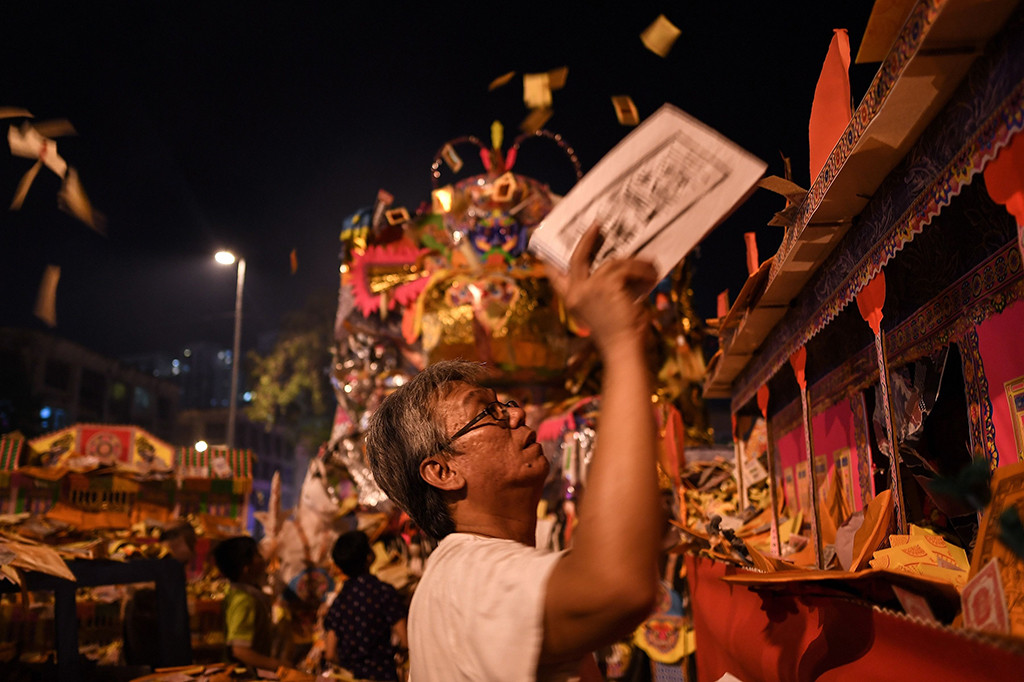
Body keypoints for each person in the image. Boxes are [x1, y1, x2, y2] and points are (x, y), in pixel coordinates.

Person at [365, 224, 662, 681]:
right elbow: (618, 588)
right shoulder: (471, 576)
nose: (517, 415)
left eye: (502, 404)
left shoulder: (480, 569)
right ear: (442, 470)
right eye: (487, 413)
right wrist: (620, 344)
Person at [322, 530, 408, 681]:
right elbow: (405, 640)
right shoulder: (384, 592)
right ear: (368, 557)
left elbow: (330, 653)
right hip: (382, 675)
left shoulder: (339, 602)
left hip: (350, 677)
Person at [123, 521, 198, 667]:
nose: (193, 552)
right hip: (152, 642)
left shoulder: (165, 568)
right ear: (178, 542)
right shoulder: (159, 572)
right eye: (192, 543)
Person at [212, 535, 284, 670]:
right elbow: (240, 651)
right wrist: (277, 665)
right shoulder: (245, 601)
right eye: (257, 555)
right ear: (246, 567)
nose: (263, 559)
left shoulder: (236, 593)